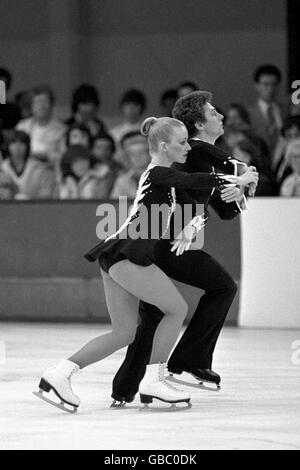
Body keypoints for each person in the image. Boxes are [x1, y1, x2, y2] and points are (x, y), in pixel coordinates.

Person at [34, 115, 257, 412]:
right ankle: (154, 382)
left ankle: (58, 375)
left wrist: (210, 209)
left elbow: (195, 193)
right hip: (129, 253)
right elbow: (190, 180)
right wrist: (235, 178)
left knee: (124, 332)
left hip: (116, 254)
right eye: (181, 143)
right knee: (176, 309)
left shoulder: (167, 177)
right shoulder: (157, 173)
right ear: (164, 146)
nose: (188, 148)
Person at [111, 91, 258, 406]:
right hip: (170, 241)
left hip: (167, 242)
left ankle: (125, 388)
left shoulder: (202, 156)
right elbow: (208, 184)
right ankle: (188, 361)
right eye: (213, 112)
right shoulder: (197, 150)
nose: (220, 116)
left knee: (152, 315)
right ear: (198, 123)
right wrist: (240, 177)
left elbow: (227, 210)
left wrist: (241, 192)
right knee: (221, 287)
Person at [16, 85, 66, 165]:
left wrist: (46, 156)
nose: (41, 106)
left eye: (45, 102)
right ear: (31, 106)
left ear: (51, 105)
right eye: (37, 102)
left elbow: (65, 156)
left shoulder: (62, 129)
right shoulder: (22, 127)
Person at [1, 129, 56, 199]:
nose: (17, 147)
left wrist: (28, 199)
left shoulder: (41, 168)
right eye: (13, 143)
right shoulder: (2, 168)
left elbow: (47, 194)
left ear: (27, 146)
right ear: (8, 146)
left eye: (21, 143)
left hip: (34, 207)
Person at [248, 64, 287, 156]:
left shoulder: (286, 111)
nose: (270, 89)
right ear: (256, 85)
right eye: (265, 84)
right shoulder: (248, 113)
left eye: (274, 84)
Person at [110, 131, 151, 199]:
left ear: (150, 155)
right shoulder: (122, 180)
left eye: (141, 152)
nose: (137, 157)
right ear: (128, 157)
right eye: (132, 154)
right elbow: (115, 203)